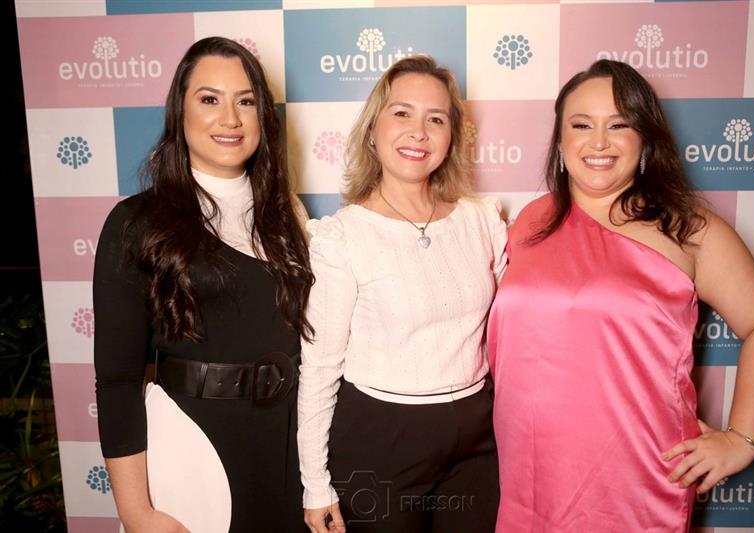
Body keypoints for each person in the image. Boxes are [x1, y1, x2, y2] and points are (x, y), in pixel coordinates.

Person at [487, 59, 754, 532]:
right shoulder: (531, 221)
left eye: (619, 125)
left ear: (646, 138)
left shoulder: (688, 229)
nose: (599, 142)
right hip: (530, 473)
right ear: (561, 140)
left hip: (639, 479)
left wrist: (742, 440)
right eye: (581, 125)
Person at [93, 37, 312, 533]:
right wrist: (136, 512)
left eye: (246, 101)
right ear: (180, 111)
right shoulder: (136, 222)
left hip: (288, 451)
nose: (230, 118)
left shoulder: (288, 215)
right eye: (210, 99)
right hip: (193, 453)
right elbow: (118, 382)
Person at [297, 55, 506, 533]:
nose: (419, 132)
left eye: (436, 119)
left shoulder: (481, 220)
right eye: (402, 113)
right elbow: (320, 366)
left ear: (452, 138)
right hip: (380, 442)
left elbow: (523, 327)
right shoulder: (343, 237)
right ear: (373, 130)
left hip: (477, 438)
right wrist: (315, 485)